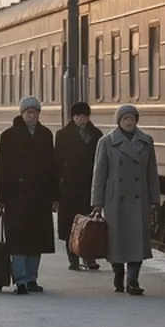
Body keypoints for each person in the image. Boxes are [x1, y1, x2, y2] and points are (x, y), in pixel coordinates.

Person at [90, 104, 160, 295]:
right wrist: (97, 202)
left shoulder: (146, 141)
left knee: (137, 242)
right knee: (117, 242)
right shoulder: (106, 142)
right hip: (115, 200)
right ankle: (118, 274)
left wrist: (155, 199)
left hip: (139, 199)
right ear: (119, 121)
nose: (129, 122)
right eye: (125, 119)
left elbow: (151, 173)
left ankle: (133, 280)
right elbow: (99, 174)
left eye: (132, 119)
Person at [0, 96, 57, 295]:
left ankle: (32, 278)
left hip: (39, 196)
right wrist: (1, 196)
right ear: (22, 114)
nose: (32, 116)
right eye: (28, 112)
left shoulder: (46, 134)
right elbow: (2, 168)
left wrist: (54, 194)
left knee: (36, 241)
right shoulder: (9, 136)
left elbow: (51, 166)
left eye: (35, 112)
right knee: (19, 243)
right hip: (16, 196)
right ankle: (20, 280)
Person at [55, 102, 104, 270]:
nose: (80, 120)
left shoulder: (97, 135)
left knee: (90, 223)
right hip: (68, 186)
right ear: (72, 117)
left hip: (89, 185)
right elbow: (57, 162)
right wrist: (56, 187)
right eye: (77, 117)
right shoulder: (62, 135)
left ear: (88, 117)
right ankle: (73, 258)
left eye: (83, 116)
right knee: (70, 224)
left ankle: (89, 257)